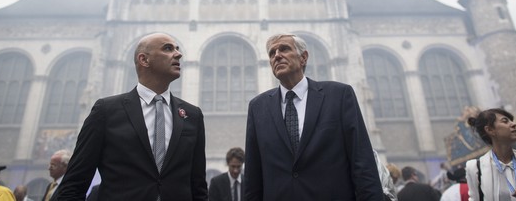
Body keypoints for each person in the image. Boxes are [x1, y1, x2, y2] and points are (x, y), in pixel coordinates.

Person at [52, 32, 207, 200]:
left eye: (177, 48)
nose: (178, 54)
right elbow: (74, 184)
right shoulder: (106, 111)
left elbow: (197, 186)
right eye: (168, 49)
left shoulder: (192, 115)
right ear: (144, 60)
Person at [244, 33, 383, 200]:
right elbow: (253, 176)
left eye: (284, 49)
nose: (277, 55)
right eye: (272, 53)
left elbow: (362, 162)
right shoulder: (257, 107)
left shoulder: (339, 96)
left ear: (303, 58)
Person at [465, 108, 516, 200]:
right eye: (505, 121)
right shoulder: (476, 168)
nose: (513, 124)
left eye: (511, 121)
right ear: (490, 130)